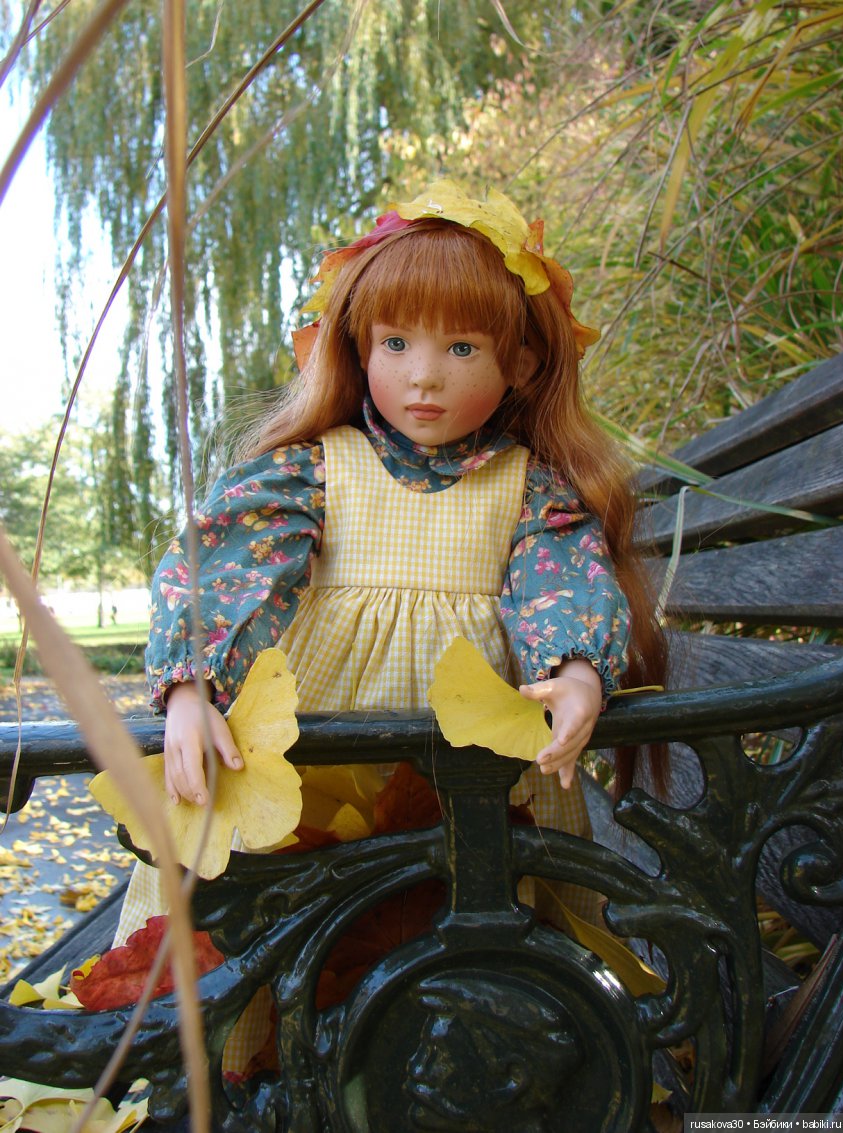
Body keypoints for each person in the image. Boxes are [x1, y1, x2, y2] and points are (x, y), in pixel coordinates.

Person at [116, 180, 668, 1067]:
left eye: (463, 346)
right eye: (396, 342)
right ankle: (263, 1073)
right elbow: (225, 571)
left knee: (465, 937)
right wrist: (192, 688)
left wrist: (574, 669)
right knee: (295, 927)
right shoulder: (314, 471)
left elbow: (560, 577)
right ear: (358, 348)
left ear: (523, 365)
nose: (424, 374)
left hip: (473, 775)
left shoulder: (529, 489)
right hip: (319, 759)